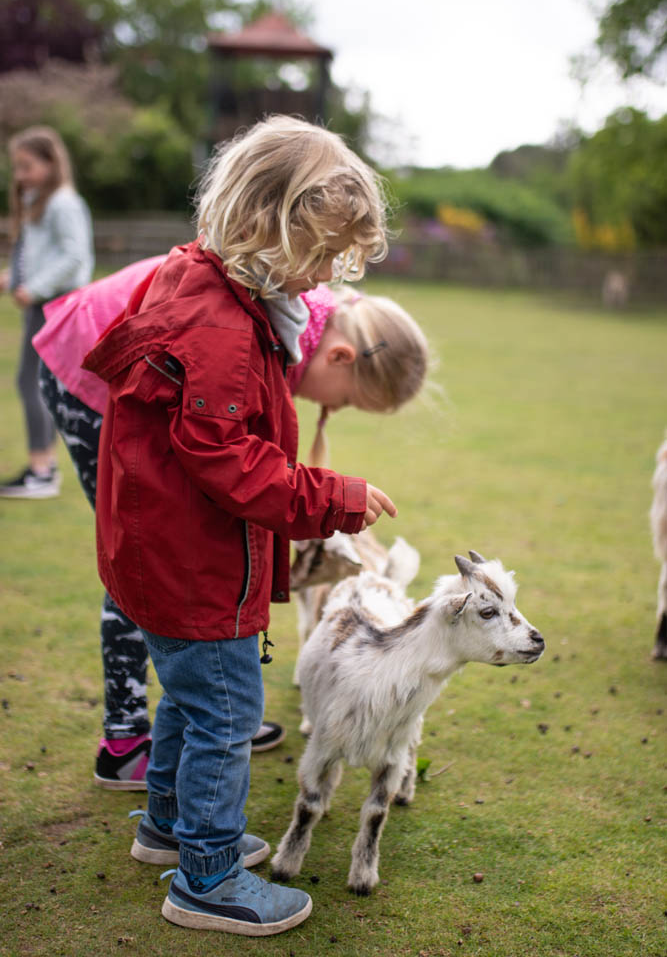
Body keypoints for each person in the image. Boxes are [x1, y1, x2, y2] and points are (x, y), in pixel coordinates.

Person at [81, 115, 401, 936]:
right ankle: (207, 876)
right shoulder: (220, 328)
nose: (329, 274)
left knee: (187, 701)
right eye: (324, 254)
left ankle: (166, 828)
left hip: (157, 553)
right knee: (224, 715)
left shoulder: (199, 282)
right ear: (269, 225)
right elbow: (228, 463)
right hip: (196, 564)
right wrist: (333, 498)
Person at [33, 270, 428, 787]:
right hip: (94, 365)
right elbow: (231, 464)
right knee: (143, 553)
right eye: (345, 401)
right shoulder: (266, 333)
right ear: (339, 358)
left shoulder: (292, 323)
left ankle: (215, 706)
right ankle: (126, 738)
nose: (328, 410)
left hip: (154, 370)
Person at [0, 126, 94, 499]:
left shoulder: (62, 203)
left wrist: (34, 287)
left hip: (56, 305)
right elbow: (42, 255)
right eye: (16, 168)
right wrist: (13, 279)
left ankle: (41, 472)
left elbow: (74, 257)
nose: (20, 176)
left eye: (27, 166)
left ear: (51, 163)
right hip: (44, 302)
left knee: (31, 383)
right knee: (38, 384)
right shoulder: (40, 201)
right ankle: (44, 467)